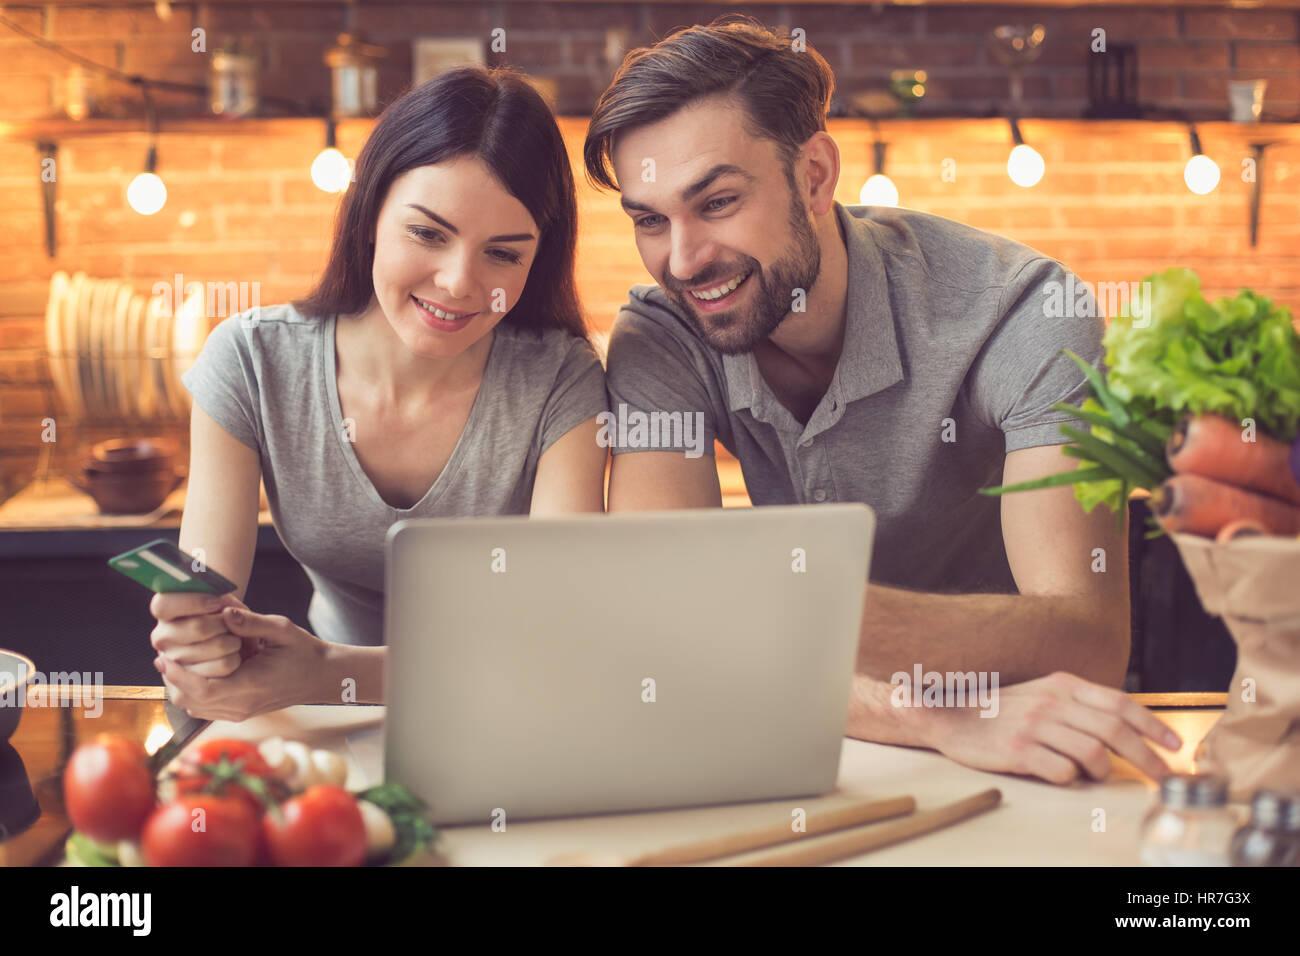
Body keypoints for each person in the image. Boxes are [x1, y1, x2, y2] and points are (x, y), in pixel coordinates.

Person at [586, 17, 1184, 784]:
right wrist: (932, 714)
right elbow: (668, 639)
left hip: (1029, 753)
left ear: (814, 175)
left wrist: (767, 612)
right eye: (649, 220)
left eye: (719, 202)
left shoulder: (1029, 313)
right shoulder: (663, 335)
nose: (684, 257)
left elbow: (1088, 642)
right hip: (821, 745)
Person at [151, 67, 609, 721]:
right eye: (427, 233)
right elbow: (205, 595)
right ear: (369, 215)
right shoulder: (251, 361)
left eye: (502, 254)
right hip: (314, 721)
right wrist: (197, 642)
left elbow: (556, 644)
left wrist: (333, 674)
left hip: (496, 719)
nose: (457, 283)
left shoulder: (562, 381)